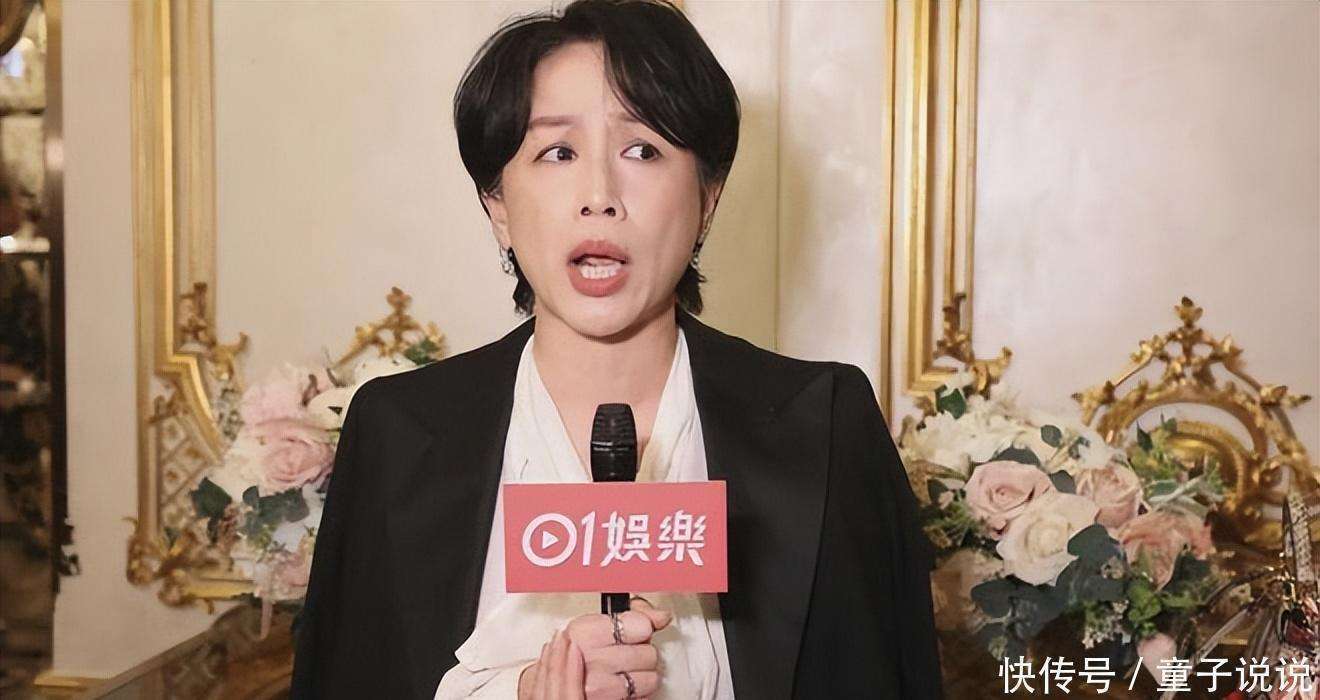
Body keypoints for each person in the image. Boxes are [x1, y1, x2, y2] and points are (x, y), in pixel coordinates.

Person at [290, 1, 941, 698]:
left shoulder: (827, 423)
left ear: (708, 199)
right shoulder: (396, 432)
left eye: (643, 150)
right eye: (557, 152)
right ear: (497, 205)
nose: (599, 196)